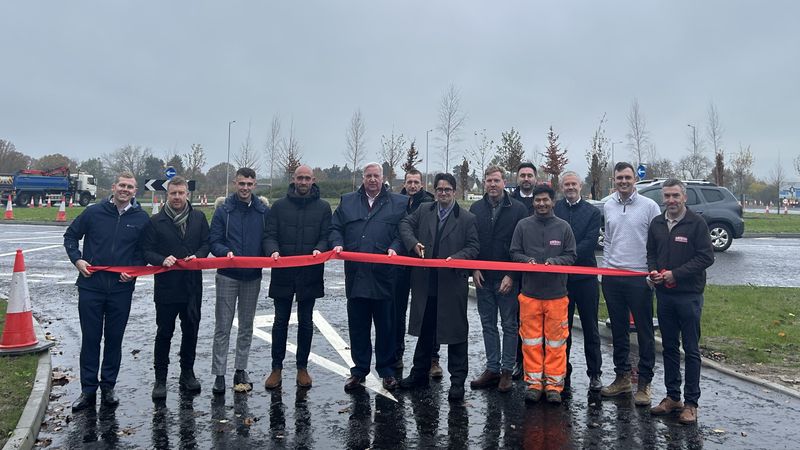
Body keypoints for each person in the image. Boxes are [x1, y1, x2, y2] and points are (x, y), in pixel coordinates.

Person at [63, 172, 150, 411]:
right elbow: (70, 236)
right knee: (91, 339)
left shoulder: (141, 219)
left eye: (130, 187)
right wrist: (77, 261)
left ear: (135, 191)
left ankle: (108, 387)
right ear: (113, 187)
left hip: (121, 289)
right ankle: (88, 390)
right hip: (91, 286)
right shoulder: (93, 212)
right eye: (121, 185)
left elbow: (144, 251)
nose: (125, 190)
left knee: (114, 340)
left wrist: (133, 269)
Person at [398, 173, 480, 402]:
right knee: (425, 331)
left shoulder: (467, 218)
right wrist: (413, 244)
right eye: (439, 189)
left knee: (456, 334)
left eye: (447, 189)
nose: (443, 193)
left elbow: (474, 246)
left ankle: (457, 382)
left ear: (454, 191)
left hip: (452, 284)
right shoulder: (424, 210)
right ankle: (418, 375)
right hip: (426, 284)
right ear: (434, 191)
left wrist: (457, 258)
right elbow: (405, 224)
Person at [330, 162, 407, 392]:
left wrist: (395, 247)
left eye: (376, 176)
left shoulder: (398, 203)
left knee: (386, 326)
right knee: (358, 326)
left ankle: (387, 371)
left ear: (383, 178)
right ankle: (359, 370)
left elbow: (403, 232)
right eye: (368, 176)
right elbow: (335, 228)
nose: (372, 179)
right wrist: (337, 244)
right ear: (362, 178)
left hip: (385, 276)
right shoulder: (348, 201)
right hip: (356, 276)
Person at [647, 179, 714, 424]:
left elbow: (706, 257)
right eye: (667, 196)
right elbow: (651, 253)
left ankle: (691, 403)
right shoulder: (656, 223)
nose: (671, 200)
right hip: (664, 296)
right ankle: (673, 396)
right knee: (669, 348)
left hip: (689, 296)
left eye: (675, 195)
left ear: (684, 197)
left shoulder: (696, 223)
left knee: (692, 350)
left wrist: (676, 274)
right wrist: (653, 271)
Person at [262, 165, 331, 390]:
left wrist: (320, 250)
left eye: (307, 178)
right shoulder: (279, 206)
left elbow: (325, 236)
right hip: (283, 271)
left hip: (309, 272)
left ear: (313, 180)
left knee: (306, 322)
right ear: (294, 179)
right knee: (280, 321)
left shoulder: (323, 208)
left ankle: (302, 367)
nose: (303, 182)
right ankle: (276, 368)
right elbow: (269, 235)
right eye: (299, 178)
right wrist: (272, 250)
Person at [600, 162, 662, 406]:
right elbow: (608, 240)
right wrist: (604, 271)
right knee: (618, 330)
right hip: (613, 277)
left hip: (639, 278)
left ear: (635, 179)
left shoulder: (649, 206)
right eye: (619, 178)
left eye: (627, 177)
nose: (623, 181)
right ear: (613, 180)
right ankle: (622, 377)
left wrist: (651, 272)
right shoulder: (608, 205)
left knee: (645, 332)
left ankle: (644, 383)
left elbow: (657, 241)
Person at [142, 176, 210, 399]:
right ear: (167, 195)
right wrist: (161, 259)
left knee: (191, 331)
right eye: (174, 193)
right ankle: (160, 379)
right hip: (167, 287)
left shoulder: (199, 218)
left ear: (187, 194)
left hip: (192, 286)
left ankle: (187, 373)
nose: (178, 197)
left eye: (181, 193)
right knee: (164, 333)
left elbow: (206, 243)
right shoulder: (156, 221)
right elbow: (147, 251)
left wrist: (198, 256)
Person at [510, 184, 576, 403]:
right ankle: (534, 383)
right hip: (529, 294)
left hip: (556, 295)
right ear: (534, 202)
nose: (541, 204)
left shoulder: (564, 227)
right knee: (530, 342)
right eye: (537, 200)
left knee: (556, 343)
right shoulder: (522, 226)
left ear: (552, 202)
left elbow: (571, 255)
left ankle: (555, 386)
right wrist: (525, 261)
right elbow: (514, 252)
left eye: (545, 200)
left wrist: (554, 262)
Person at [209, 167, 270, 395]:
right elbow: (214, 240)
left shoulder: (263, 211)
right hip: (227, 275)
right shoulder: (223, 210)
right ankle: (219, 374)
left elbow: (268, 238)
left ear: (255, 185)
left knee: (246, 326)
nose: (245, 188)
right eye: (241, 183)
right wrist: (225, 253)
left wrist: (270, 253)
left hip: (252, 276)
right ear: (236, 183)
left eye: (249, 184)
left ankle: (240, 369)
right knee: (222, 327)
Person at [468, 166, 527, 393]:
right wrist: (474, 268)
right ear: (484, 183)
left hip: (507, 279)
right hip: (483, 276)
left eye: (496, 180)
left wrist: (512, 274)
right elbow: (471, 241)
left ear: (504, 182)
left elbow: (520, 245)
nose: (492, 184)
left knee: (509, 325)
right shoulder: (475, 208)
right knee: (487, 324)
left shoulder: (518, 210)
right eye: (489, 181)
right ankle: (492, 368)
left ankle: (506, 370)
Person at [553, 171, 603, 393]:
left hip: (585, 278)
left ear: (580, 185)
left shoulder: (592, 212)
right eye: (566, 184)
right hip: (562, 280)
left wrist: (565, 257)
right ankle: (563, 371)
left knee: (590, 328)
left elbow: (590, 241)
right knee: (562, 329)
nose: (570, 187)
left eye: (574, 183)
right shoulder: (556, 209)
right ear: (561, 187)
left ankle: (595, 374)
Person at [393, 169, 434, 371]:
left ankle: (431, 358)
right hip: (400, 264)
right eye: (409, 182)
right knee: (397, 312)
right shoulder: (396, 202)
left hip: (422, 263)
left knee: (426, 311)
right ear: (405, 183)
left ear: (422, 184)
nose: (413, 186)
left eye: (416, 182)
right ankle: (397, 354)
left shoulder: (429, 203)